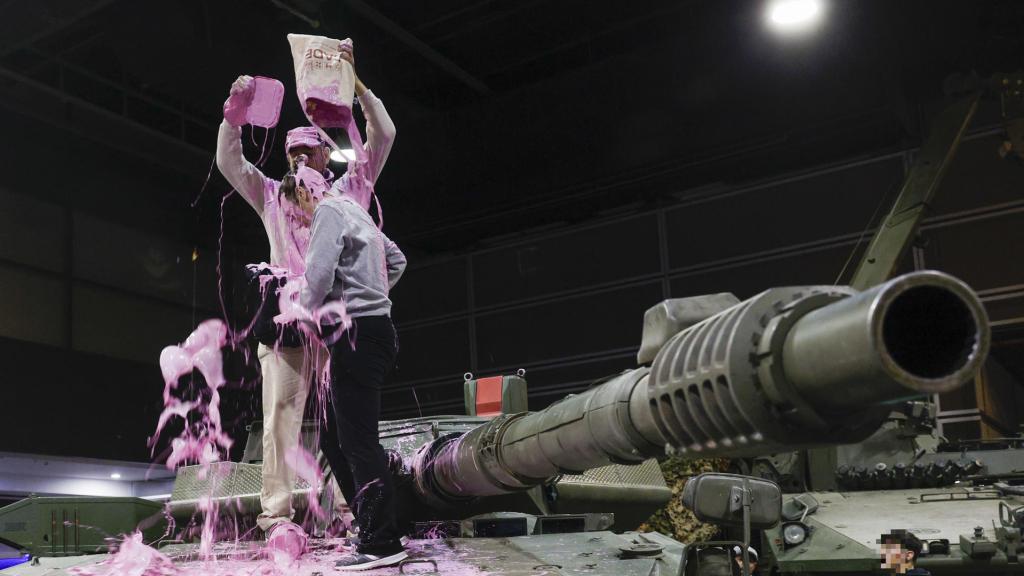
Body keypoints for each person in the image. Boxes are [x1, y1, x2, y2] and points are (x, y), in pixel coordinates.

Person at [215, 51, 396, 558]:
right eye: (291, 153)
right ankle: (277, 516)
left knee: (349, 423)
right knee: (279, 417)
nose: (297, 160)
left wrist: (358, 89)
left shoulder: (348, 192)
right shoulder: (272, 196)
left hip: (338, 327)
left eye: (307, 152)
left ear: (324, 157)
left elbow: (381, 138)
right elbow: (230, 163)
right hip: (288, 323)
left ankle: (348, 509)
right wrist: (234, 115)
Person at [300, 123, 407, 568]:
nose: (303, 219)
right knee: (332, 436)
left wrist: (298, 309)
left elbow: (318, 278)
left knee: (359, 442)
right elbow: (397, 260)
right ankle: (373, 526)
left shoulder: (325, 211)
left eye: (299, 208)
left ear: (304, 192)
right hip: (377, 331)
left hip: (358, 335)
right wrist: (373, 295)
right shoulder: (357, 211)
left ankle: (383, 541)